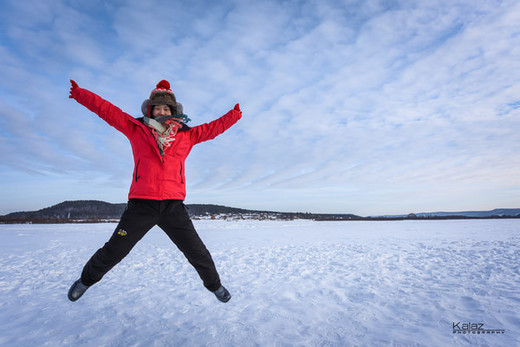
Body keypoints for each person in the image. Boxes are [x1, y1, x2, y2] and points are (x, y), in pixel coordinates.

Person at [67, 79, 241, 303]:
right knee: (115, 250)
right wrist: (81, 94)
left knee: (197, 252)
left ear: (174, 111)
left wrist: (234, 115)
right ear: (150, 110)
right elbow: (108, 111)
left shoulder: (186, 136)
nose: (161, 111)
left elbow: (213, 128)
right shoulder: (136, 129)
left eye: (166, 108)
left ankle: (215, 286)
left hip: (173, 207)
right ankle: (85, 281)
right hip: (141, 204)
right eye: (157, 108)